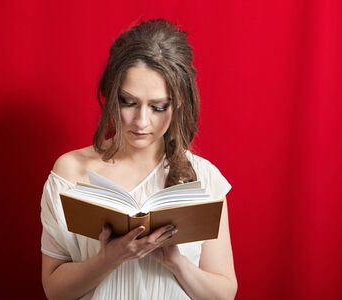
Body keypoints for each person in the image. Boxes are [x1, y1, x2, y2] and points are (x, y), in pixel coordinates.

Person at [40, 18, 237, 300]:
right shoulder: (70, 172)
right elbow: (54, 291)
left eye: (158, 107)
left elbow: (224, 294)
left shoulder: (205, 179)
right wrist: (109, 259)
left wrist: (176, 262)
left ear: (179, 103)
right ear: (111, 96)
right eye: (128, 102)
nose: (141, 121)